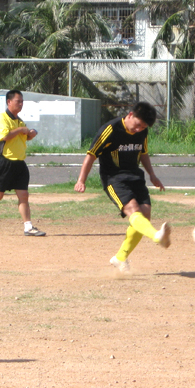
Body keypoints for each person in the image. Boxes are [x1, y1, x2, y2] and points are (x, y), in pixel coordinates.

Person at [74, 101, 170, 274]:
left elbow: (143, 153)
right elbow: (91, 155)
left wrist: (152, 175)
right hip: (114, 178)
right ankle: (157, 236)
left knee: (145, 214)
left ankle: (120, 258)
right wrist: (81, 180)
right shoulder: (110, 129)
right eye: (138, 125)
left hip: (135, 175)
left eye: (143, 127)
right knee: (133, 210)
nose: (139, 129)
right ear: (130, 115)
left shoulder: (142, 131)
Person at [0, 90, 45, 237]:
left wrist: (30, 133)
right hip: (5, 163)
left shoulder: (19, 120)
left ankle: (28, 226)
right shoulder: (2, 118)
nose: (21, 104)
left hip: (19, 163)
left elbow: (23, 137)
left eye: (22, 101)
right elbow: (5, 136)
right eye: (18, 101)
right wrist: (21, 130)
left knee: (23, 195)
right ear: (9, 102)